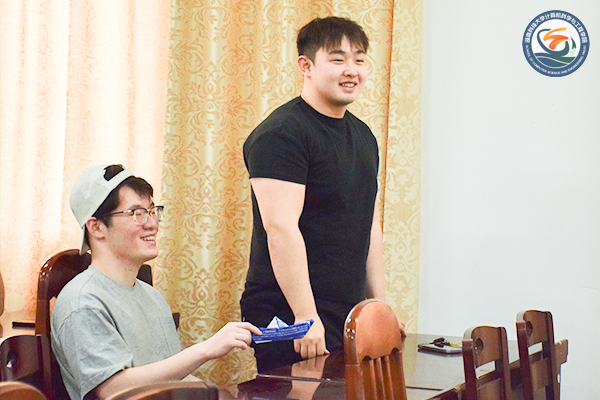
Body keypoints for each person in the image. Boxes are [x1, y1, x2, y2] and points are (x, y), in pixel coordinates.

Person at [241, 16, 405, 372]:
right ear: (306, 66)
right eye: (337, 59)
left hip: (344, 310)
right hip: (287, 313)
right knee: (293, 392)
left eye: (359, 59)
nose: (352, 70)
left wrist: (379, 308)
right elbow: (280, 228)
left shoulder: (363, 136)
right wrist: (305, 315)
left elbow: (368, 225)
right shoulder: (281, 135)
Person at [52, 164, 261, 400]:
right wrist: (206, 350)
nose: (152, 224)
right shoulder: (82, 302)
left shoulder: (152, 296)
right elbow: (113, 390)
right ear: (96, 227)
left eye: (152, 211)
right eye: (136, 213)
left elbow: (174, 379)